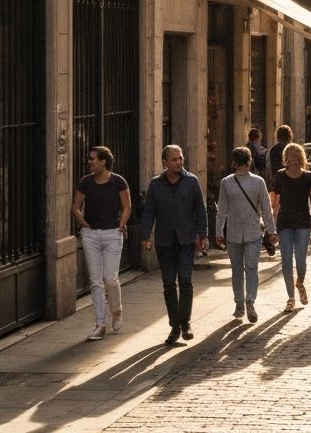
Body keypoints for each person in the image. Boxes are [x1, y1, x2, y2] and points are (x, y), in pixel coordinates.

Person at [140, 145, 208, 346]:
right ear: (165, 162)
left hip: (186, 239)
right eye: (175, 159)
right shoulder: (156, 184)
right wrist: (146, 236)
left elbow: (200, 209)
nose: (179, 162)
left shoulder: (191, 181)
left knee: (185, 279)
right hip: (164, 240)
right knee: (169, 282)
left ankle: (185, 323)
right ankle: (174, 326)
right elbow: (149, 212)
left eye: (181, 158)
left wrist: (201, 234)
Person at [73, 145, 131, 340]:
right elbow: (76, 206)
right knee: (96, 282)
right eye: (89, 159)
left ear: (103, 162)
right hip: (91, 235)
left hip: (113, 234)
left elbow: (127, 206)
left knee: (110, 278)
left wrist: (122, 224)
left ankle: (117, 311)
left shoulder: (118, 182)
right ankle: (100, 323)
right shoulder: (86, 182)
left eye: (93, 159)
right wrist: (81, 221)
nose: (89, 162)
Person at [215, 146, 277, 323]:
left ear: (234, 163)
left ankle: (239, 304)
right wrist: (272, 231)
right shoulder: (258, 182)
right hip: (253, 232)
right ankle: (250, 299)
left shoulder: (226, 182)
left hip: (233, 233)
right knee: (251, 268)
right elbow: (267, 210)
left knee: (236, 270)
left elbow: (222, 211)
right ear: (249, 162)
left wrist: (219, 232)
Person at [270, 142, 311, 311]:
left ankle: (299, 282)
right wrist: (272, 222)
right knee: (286, 261)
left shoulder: (309, 177)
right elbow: (275, 203)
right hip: (284, 223)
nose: (292, 160)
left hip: (302, 223)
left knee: (300, 260)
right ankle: (291, 298)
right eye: (290, 157)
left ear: (298, 158)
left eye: (294, 157)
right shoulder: (280, 176)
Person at [267, 124, 293, 188]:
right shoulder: (293, 148)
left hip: (278, 181)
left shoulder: (273, 149)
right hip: (292, 179)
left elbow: (273, 168)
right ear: (290, 136)